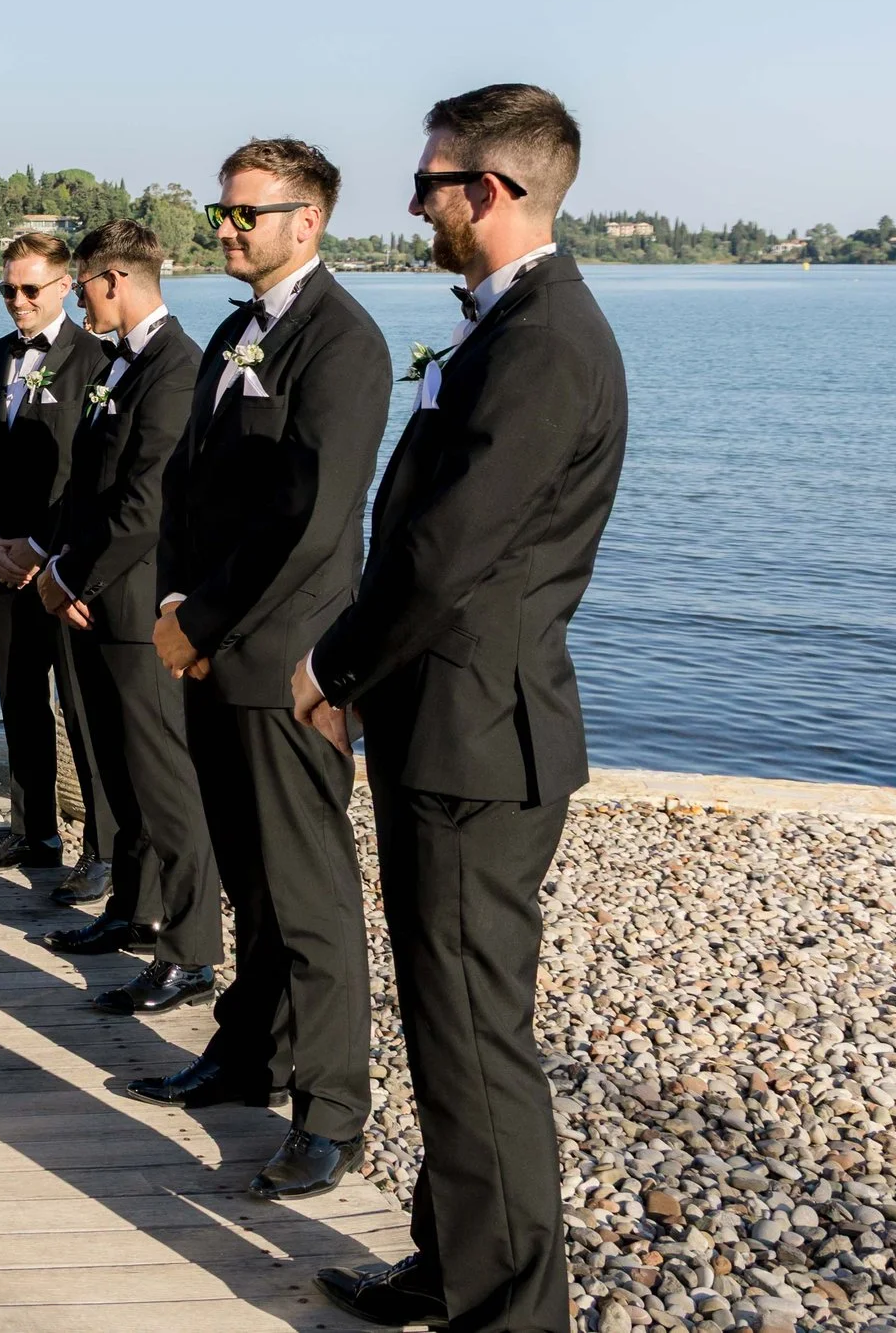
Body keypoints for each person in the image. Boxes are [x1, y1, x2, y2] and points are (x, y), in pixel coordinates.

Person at [304, 87, 626, 1333]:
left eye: (428, 182)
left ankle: (512, 1314)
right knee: (449, 1025)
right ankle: (449, 1265)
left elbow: (446, 552)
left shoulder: (543, 341)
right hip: (454, 724)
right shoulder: (514, 325)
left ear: (487, 191)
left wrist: (331, 669)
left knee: (478, 1036)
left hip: (478, 738)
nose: (412, 204)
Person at [136, 138, 391, 1202]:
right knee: (249, 876)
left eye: (247, 212)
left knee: (310, 893)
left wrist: (202, 620)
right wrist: (172, 606)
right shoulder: (234, 331)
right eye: (223, 210)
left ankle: (331, 1110)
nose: (227, 228)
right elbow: (188, 485)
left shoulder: (343, 342)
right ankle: (250, 1052)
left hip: (285, 659)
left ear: (308, 219)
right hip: (208, 649)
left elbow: (311, 517)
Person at [33, 218, 218, 1015]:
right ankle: (133, 910)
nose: (79, 300)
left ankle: (191, 951)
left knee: (167, 783)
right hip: (94, 605)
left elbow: (145, 506)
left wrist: (66, 574)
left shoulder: (175, 367)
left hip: (141, 611)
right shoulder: (120, 363)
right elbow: (88, 486)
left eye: (82, 285)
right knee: (120, 773)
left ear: (115, 279)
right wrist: (62, 568)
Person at [0, 231, 111, 899]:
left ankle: (103, 851)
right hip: (3, 564)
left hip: (67, 565)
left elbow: (91, 474)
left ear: (65, 286)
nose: (17, 300)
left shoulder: (97, 359)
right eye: (7, 289)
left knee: (81, 707)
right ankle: (35, 831)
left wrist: (44, 550)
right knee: (19, 699)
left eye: (29, 289)